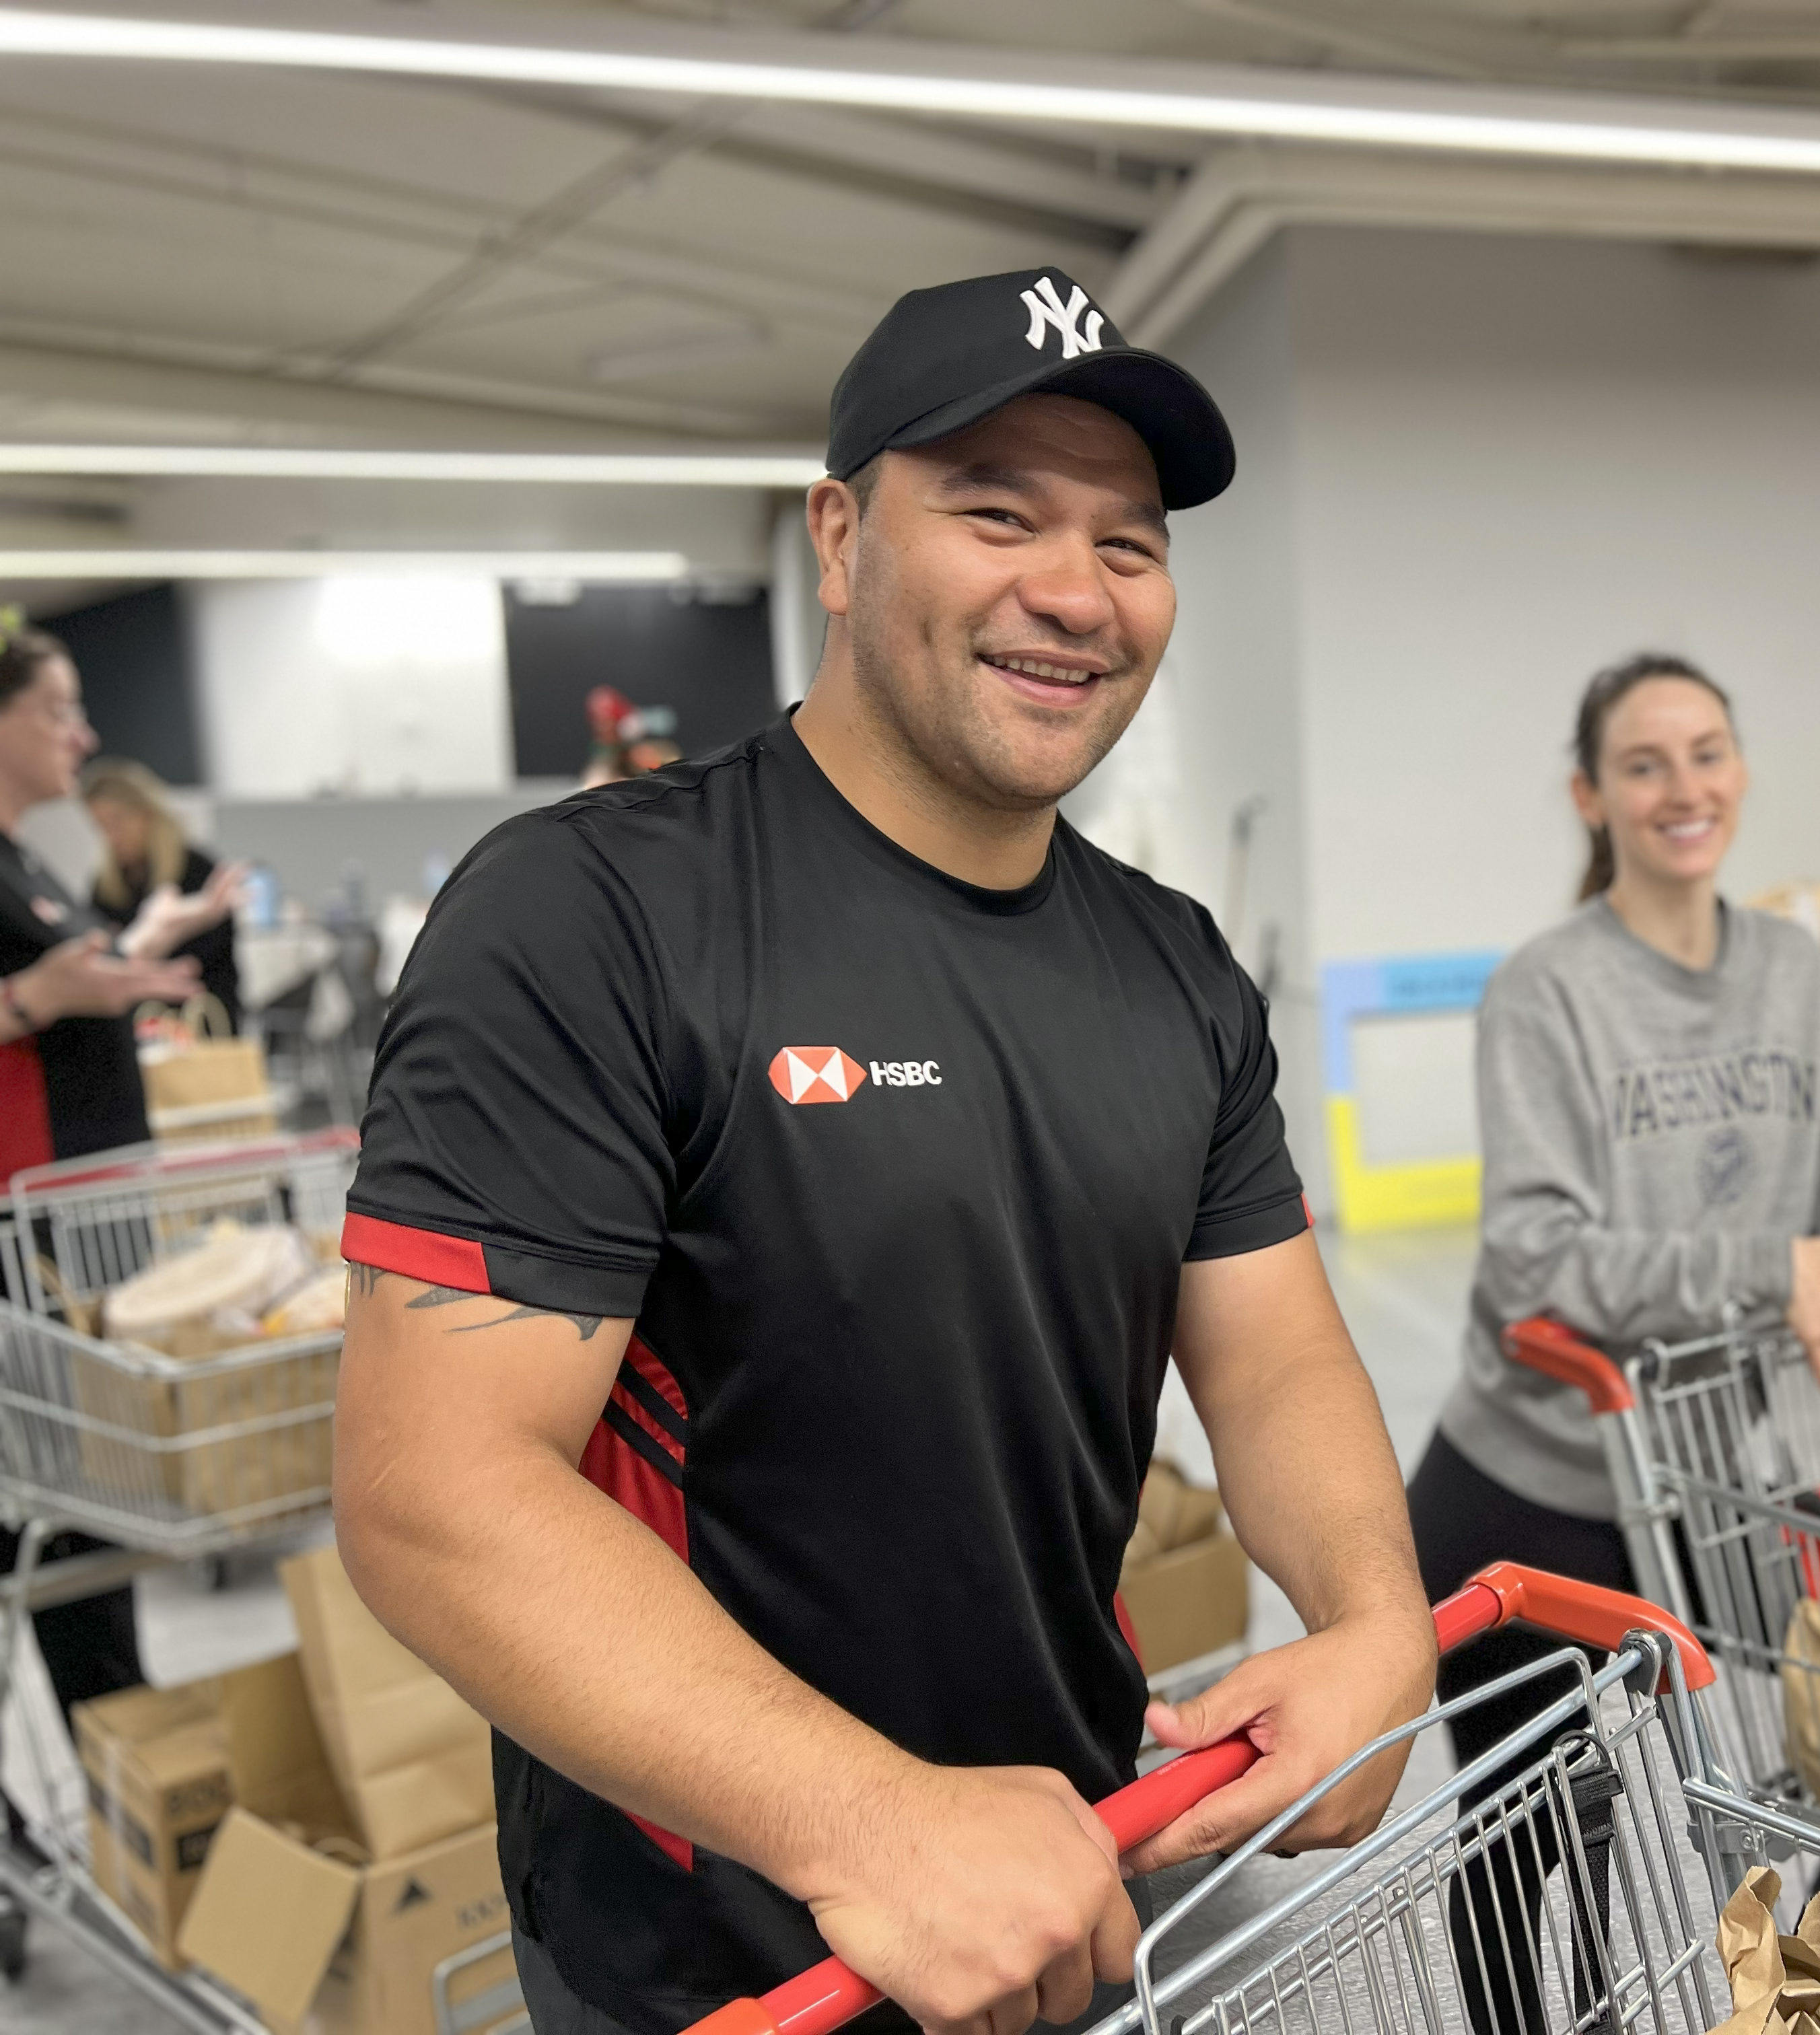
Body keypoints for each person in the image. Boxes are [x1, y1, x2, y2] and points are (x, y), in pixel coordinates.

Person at [331, 269, 1435, 2035]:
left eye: (1130, 544)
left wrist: (1379, 1618)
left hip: (1078, 1881)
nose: (1075, 593)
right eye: (997, 512)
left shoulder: (1174, 971)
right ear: (839, 539)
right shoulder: (596, 912)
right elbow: (435, 1492)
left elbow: (1277, 1351)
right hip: (730, 1959)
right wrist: (871, 1823)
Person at [1405, 653, 1820, 2034]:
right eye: (1644, 764)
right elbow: (1539, 1259)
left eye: (1706, 753)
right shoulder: (1547, 992)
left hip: (1710, 1488)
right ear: (1593, 795)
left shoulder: (1789, 965)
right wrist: (1771, 1271)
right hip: (1531, 1495)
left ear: (1741, 772)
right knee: (1533, 1830)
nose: (1683, 787)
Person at [0, 625, 239, 1717]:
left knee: (86, 1510)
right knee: (51, 1513)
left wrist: (156, 934)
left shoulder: (27, 863)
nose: (82, 734)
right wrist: (35, 1001)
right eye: (57, 708)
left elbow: (73, 976)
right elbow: (41, 994)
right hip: (24, 1248)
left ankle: (122, 1741)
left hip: (81, 1237)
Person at [83, 757, 244, 1034]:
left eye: (117, 821)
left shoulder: (197, 870)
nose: (111, 836)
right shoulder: (103, 888)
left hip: (203, 1018)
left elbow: (216, 953)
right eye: (101, 827)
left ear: (146, 814)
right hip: (142, 1023)